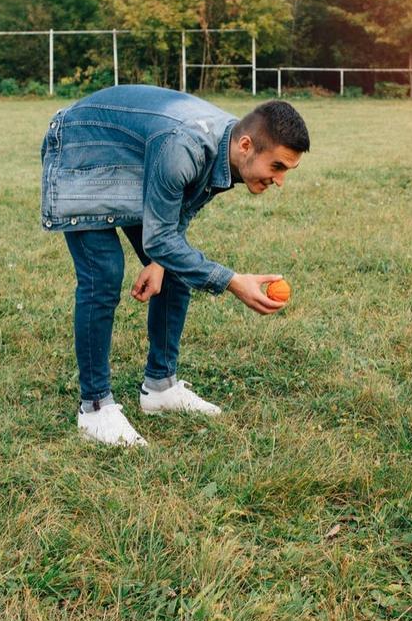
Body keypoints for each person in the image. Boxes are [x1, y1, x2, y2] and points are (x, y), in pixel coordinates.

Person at [40, 84, 310, 446]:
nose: (279, 180)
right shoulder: (183, 147)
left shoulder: (229, 148)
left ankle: (160, 387)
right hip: (81, 147)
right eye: (277, 166)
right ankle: (94, 409)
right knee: (103, 274)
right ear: (247, 145)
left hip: (132, 159)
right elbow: (161, 236)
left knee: (175, 272)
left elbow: (181, 207)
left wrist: (160, 260)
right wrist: (230, 280)